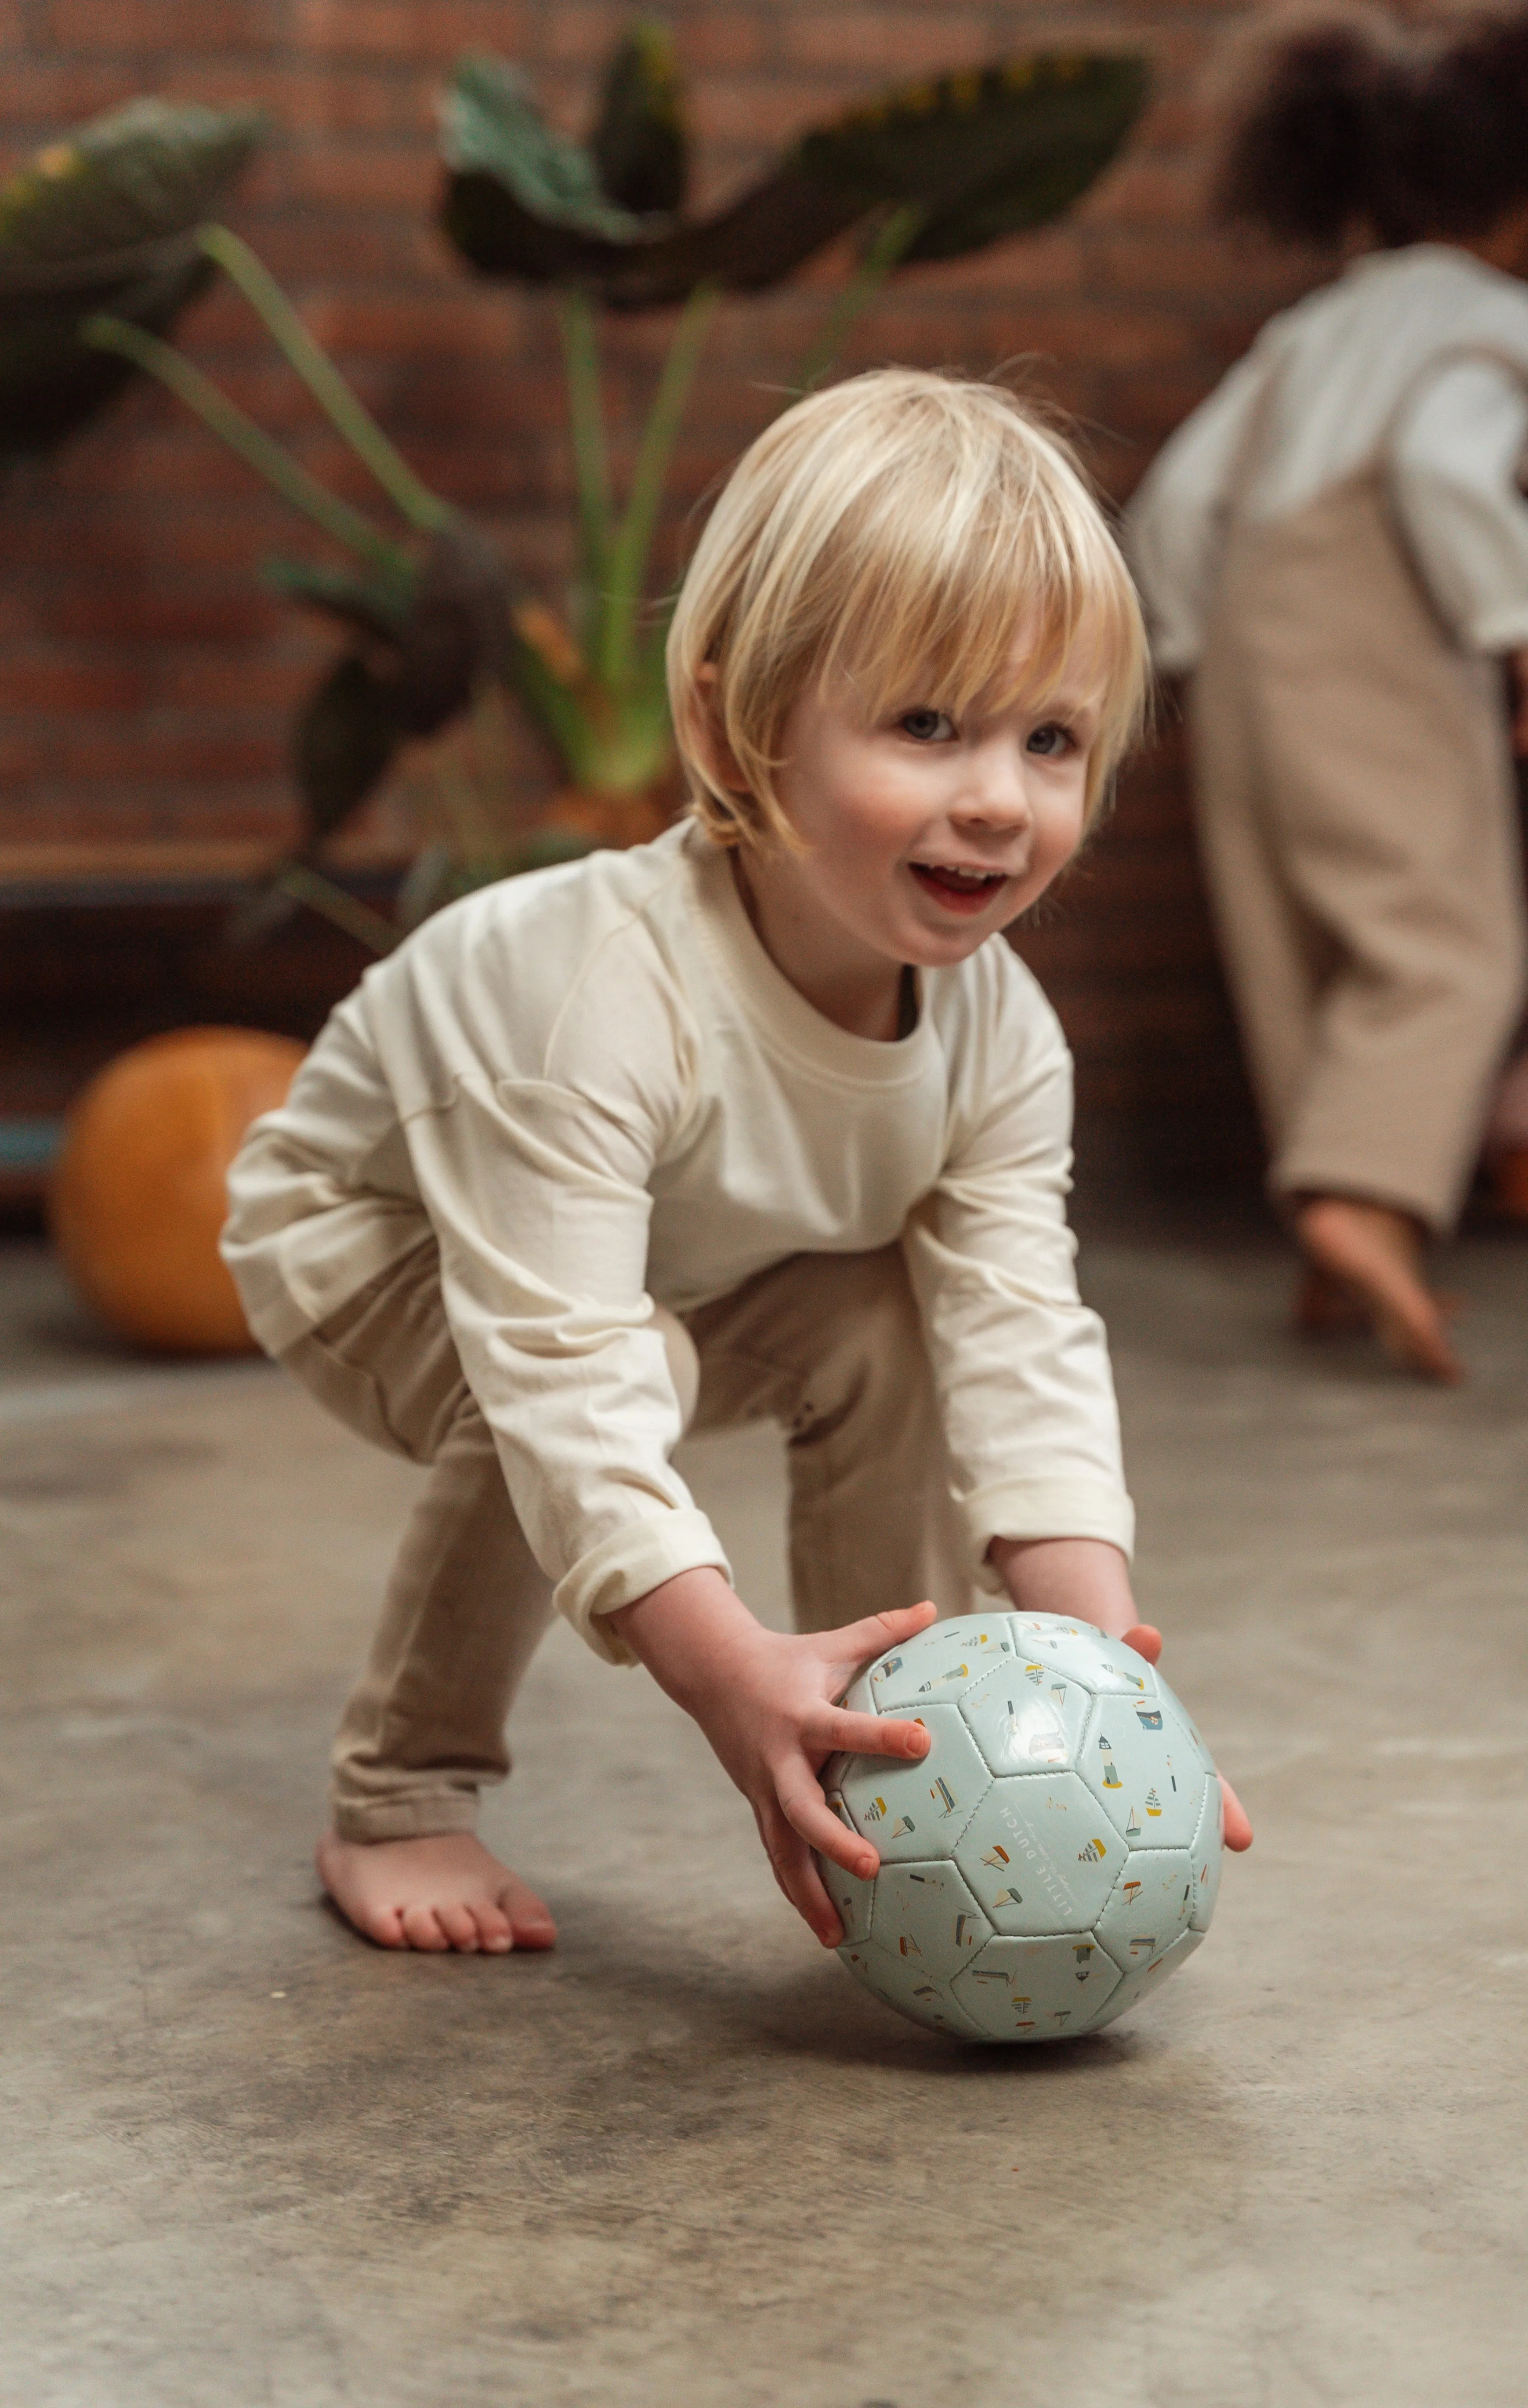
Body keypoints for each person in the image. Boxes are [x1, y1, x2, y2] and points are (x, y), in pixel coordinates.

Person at [223, 370, 1253, 1956]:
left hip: (664, 1261)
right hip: (362, 1240)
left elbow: (1018, 1335)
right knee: (595, 1379)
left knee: (886, 1317)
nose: (995, 796)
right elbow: (561, 1369)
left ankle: (888, 1741)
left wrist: (1102, 1655)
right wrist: (721, 1670)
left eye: (1052, 739)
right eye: (926, 724)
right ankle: (401, 1794)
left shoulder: (1000, 1034)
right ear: (734, 725)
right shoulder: (589, 995)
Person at [1126, 1, 1528, 1381]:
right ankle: (1363, 1205)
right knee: (1447, 942)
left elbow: (1175, 500)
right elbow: (1439, 476)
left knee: (1296, 946)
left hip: (1241, 650)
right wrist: (1525, 629)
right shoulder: (1493, 313)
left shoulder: (1313, 324)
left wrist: (1186, 648)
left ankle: (1331, 1238)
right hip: (1375, 631)